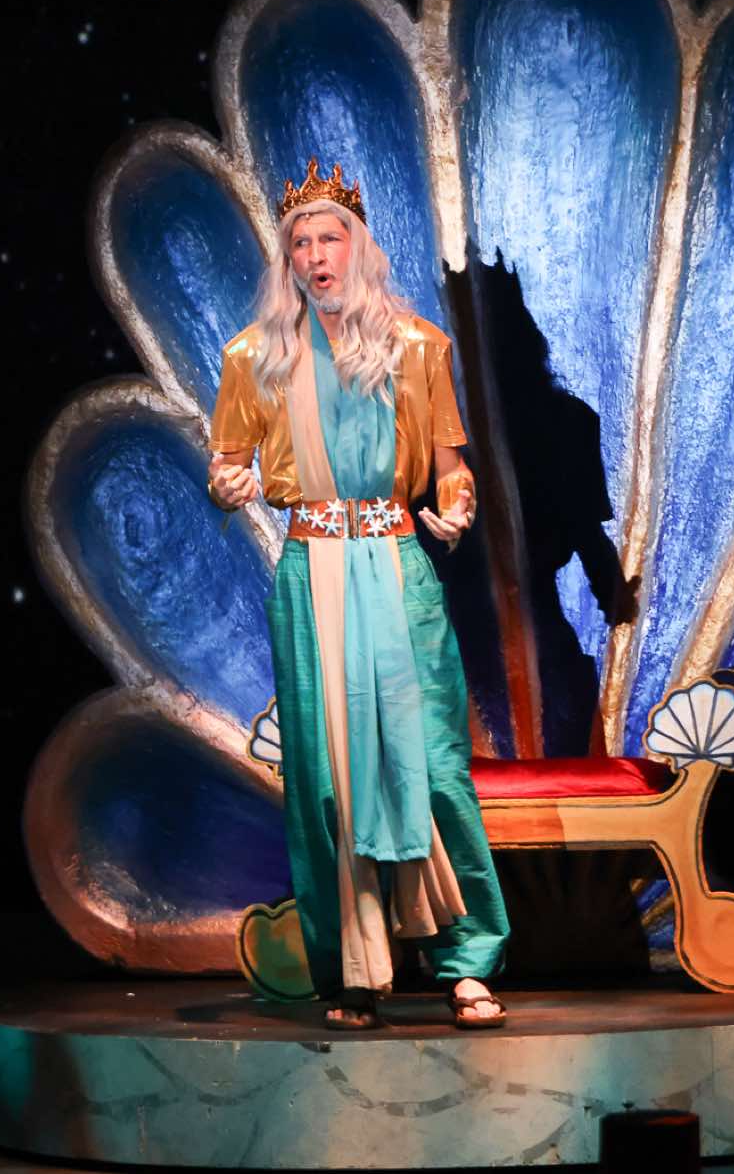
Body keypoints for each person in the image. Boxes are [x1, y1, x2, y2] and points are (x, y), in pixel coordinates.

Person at [206, 158, 510, 1031]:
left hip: (396, 563)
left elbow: (451, 468)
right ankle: (354, 970)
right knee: (325, 777)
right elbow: (229, 461)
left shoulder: (417, 347)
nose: (315, 256)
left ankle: (467, 960)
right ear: (288, 258)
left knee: (432, 764)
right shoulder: (254, 357)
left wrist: (456, 505)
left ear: (359, 246)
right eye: (300, 242)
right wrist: (229, 482)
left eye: (329, 237)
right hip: (312, 571)